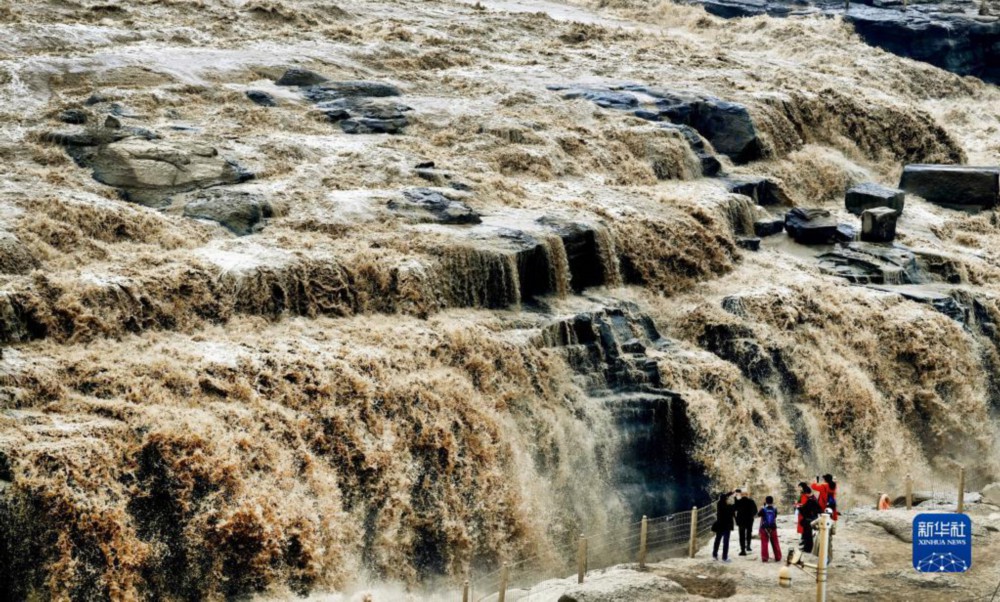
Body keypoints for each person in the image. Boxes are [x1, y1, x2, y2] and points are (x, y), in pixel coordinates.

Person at [797, 482, 821, 553]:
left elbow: (805, 509)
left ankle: (807, 549)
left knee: (808, 536)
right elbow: (819, 509)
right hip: (812, 519)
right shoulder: (814, 499)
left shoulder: (810, 500)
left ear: (807, 493)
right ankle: (806, 548)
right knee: (808, 535)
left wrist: (799, 508)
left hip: (809, 520)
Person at [712, 491, 735, 562]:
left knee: (717, 540)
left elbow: (723, 497)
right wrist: (735, 497)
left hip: (719, 525)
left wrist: (730, 493)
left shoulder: (719, 504)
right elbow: (735, 509)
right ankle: (724, 557)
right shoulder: (729, 507)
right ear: (726, 500)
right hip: (727, 526)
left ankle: (714, 555)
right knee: (726, 542)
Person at [757, 495, 782, 562]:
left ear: (766, 501)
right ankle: (778, 557)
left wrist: (761, 508)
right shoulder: (775, 509)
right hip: (773, 528)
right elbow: (775, 516)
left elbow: (758, 514)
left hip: (764, 528)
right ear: (772, 501)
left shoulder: (763, 509)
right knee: (775, 542)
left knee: (764, 543)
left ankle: (765, 558)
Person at [734, 489, 758, 556]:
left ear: (741, 495)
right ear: (747, 495)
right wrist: (751, 516)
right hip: (749, 520)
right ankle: (748, 546)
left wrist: (735, 498)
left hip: (741, 521)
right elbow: (755, 510)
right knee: (749, 533)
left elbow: (735, 509)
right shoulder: (751, 501)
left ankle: (742, 550)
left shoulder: (739, 502)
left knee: (741, 535)